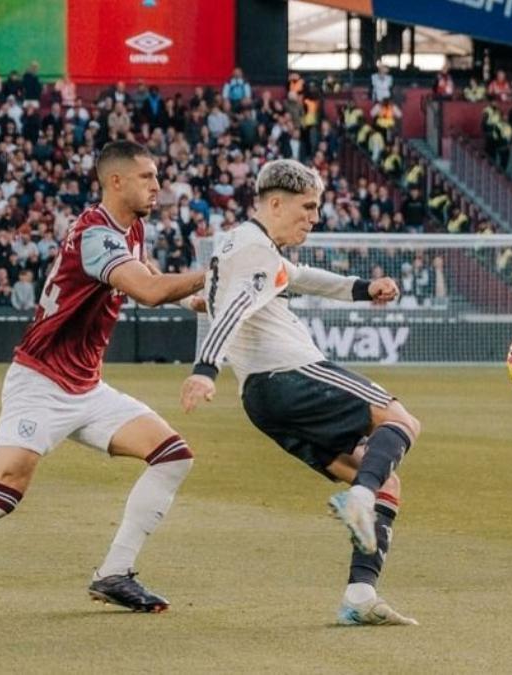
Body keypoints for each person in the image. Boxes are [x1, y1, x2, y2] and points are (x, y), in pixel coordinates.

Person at [0, 141, 205, 616]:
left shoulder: (131, 230)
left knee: (173, 456)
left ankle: (113, 574)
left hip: (86, 387)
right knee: (3, 491)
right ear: (116, 181)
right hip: (41, 382)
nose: (158, 185)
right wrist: (212, 273)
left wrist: (209, 299)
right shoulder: (96, 235)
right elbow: (149, 292)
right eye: (148, 177)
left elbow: (151, 278)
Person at [179, 160, 420, 626]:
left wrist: (365, 289)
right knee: (401, 421)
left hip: (262, 401)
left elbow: (301, 277)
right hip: (292, 373)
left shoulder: (246, 247)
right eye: (307, 207)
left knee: (381, 478)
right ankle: (360, 500)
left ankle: (360, 594)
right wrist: (204, 369)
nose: (313, 217)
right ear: (275, 203)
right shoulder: (253, 251)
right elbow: (229, 311)